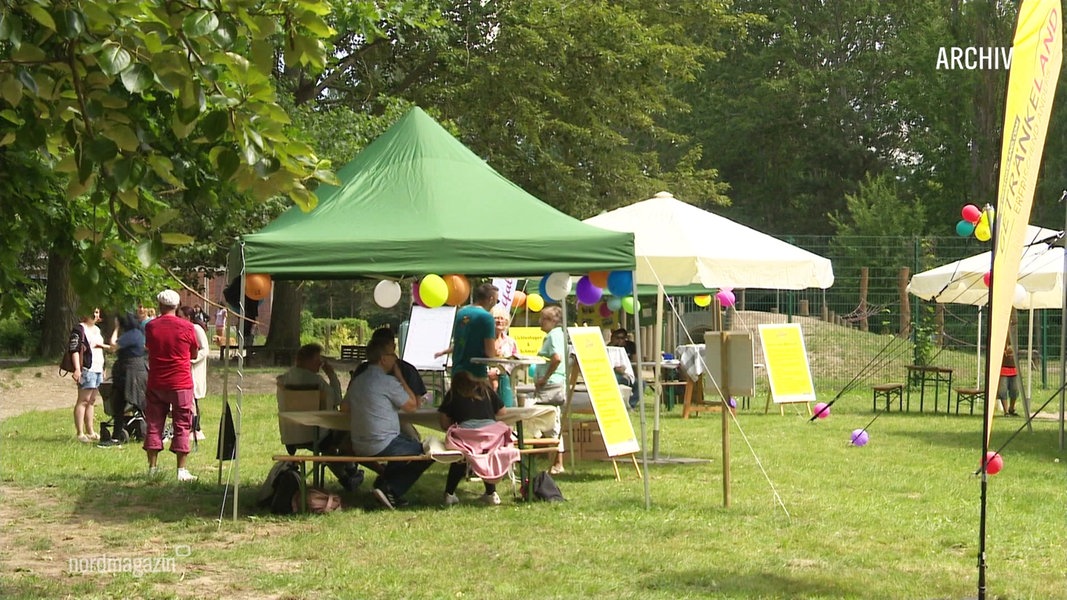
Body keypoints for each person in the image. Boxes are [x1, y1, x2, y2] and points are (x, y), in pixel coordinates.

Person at [346, 335, 430, 509]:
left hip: (359, 443)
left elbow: (344, 407)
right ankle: (391, 489)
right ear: (383, 360)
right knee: (427, 453)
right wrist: (400, 377)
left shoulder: (358, 381)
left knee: (406, 445)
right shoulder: (388, 382)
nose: (396, 359)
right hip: (382, 443)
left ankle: (384, 486)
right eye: (393, 355)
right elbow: (412, 406)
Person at [280, 343, 361, 491]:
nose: (320, 364)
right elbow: (336, 400)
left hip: (290, 434)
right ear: (308, 361)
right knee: (349, 428)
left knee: (329, 447)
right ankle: (350, 468)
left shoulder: (283, 379)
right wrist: (331, 374)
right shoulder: (316, 381)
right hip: (317, 434)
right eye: (318, 360)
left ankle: (347, 477)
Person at [143, 290, 201, 482]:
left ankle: (152, 468)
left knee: (153, 423)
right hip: (181, 382)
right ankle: (181, 470)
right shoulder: (187, 327)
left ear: (160, 305)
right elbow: (193, 353)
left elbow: (149, 347)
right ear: (177, 306)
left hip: (157, 381)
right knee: (182, 423)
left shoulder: (151, 326)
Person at [438, 371, 515, 506]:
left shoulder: (453, 393)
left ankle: (449, 493)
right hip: (491, 436)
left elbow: (444, 423)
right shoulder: (485, 390)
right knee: (486, 454)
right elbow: (503, 411)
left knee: (460, 456)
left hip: (467, 436)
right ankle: (492, 493)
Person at [530, 304, 566, 474]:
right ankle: (546, 458)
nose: (540, 321)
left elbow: (557, 358)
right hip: (551, 383)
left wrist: (544, 378)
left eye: (544, 318)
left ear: (554, 320)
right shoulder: (558, 335)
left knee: (551, 422)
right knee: (546, 421)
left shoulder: (553, 336)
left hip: (551, 385)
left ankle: (558, 463)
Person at [435, 283, 498, 378]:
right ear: (491, 299)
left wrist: (444, 352)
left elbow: (462, 341)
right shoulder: (487, 317)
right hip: (475, 372)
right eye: (497, 301)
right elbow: (490, 353)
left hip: (457, 370)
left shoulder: (461, 313)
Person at [103, 311, 147, 445]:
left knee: (119, 404)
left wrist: (116, 328)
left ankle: (116, 436)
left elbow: (112, 346)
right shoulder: (139, 333)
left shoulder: (130, 335)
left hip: (128, 372)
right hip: (139, 370)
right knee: (140, 403)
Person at [70, 307, 109, 442]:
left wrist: (104, 368)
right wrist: (77, 369)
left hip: (98, 368)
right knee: (83, 401)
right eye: (92, 311)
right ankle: (80, 433)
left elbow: (100, 350)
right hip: (87, 369)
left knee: (92, 401)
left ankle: (90, 431)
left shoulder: (97, 330)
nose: (94, 314)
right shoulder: (79, 329)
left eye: (97, 312)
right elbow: (74, 350)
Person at [180, 306, 210, 441]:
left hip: (194, 370)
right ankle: (189, 427)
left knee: (194, 400)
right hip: (186, 369)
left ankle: (196, 428)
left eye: (180, 316)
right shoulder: (183, 329)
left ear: (187, 317)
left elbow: (205, 349)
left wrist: (193, 359)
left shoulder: (196, 329)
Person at [488, 305, 519, 408]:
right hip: (485, 380)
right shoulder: (484, 340)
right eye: (496, 318)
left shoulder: (511, 342)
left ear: (506, 322)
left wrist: (499, 372)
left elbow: (515, 361)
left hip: (506, 380)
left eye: (502, 318)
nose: (499, 321)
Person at [998, 346, 1020, 416]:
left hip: (1014, 371)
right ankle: (1006, 411)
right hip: (1003, 371)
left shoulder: (1014, 340)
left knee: (1015, 390)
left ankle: (1011, 409)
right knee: (1002, 391)